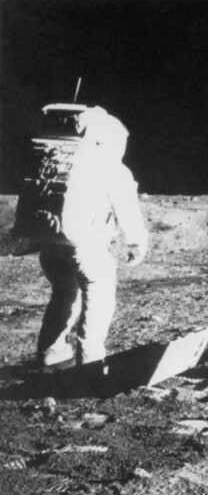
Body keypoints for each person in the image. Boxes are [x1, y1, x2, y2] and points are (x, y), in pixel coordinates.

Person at [35, 107, 148, 367]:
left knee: (64, 295)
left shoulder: (54, 161)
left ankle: (51, 351)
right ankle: (90, 362)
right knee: (99, 298)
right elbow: (127, 209)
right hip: (86, 245)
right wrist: (136, 242)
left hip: (52, 245)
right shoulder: (111, 167)